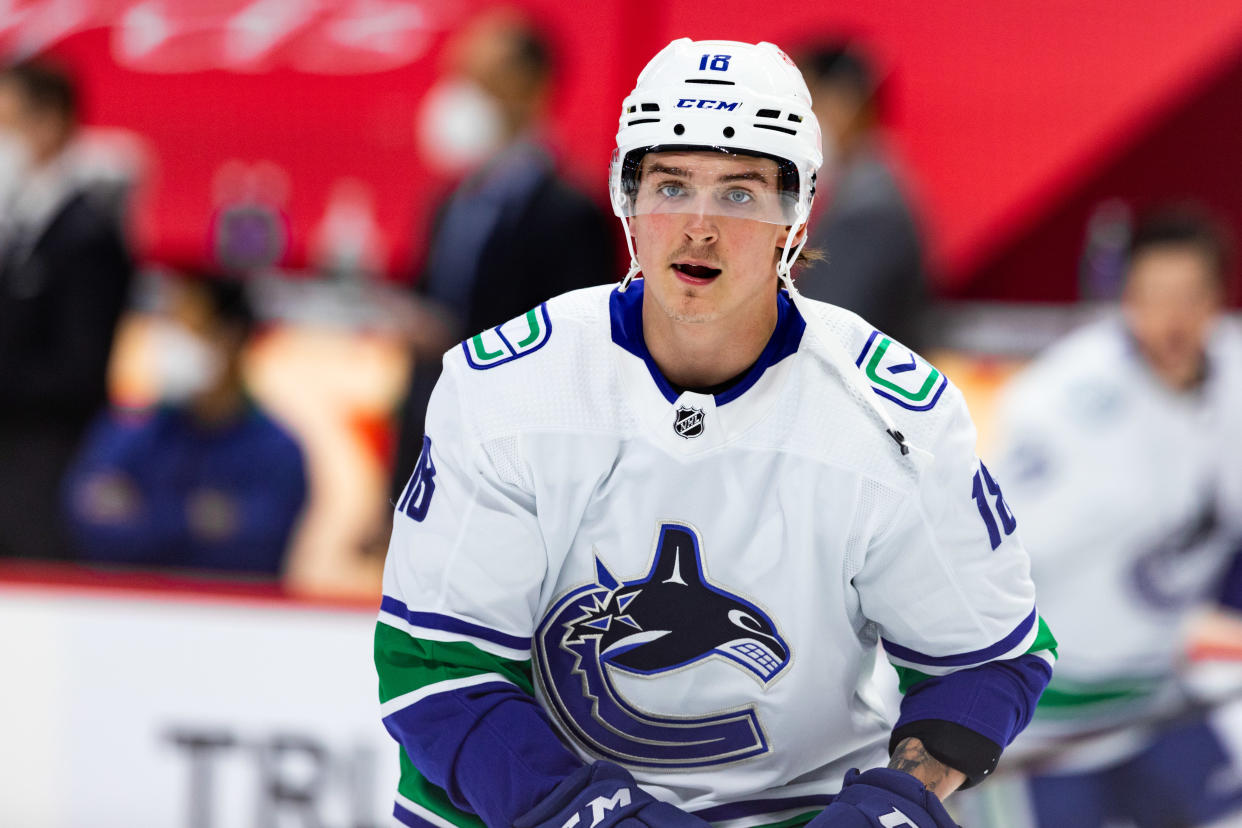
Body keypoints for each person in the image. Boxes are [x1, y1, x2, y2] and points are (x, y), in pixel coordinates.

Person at [375, 38, 1054, 828]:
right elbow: (437, 669)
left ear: (792, 218)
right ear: (628, 201)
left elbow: (987, 657)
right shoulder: (508, 388)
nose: (698, 227)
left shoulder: (893, 417)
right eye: (670, 185)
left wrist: (897, 801)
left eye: (738, 195)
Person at [970, 206, 1242, 827]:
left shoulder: (1235, 374)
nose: (1172, 318)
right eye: (1153, 297)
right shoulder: (1060, 401)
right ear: (1125, 297)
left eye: (1190, 297)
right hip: (1047, 723)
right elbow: (986, 557)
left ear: (1217, 299)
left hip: (1160, 698)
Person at [390, 8, 614, 499]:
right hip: (436, 457)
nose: (460, 94)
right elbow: (420, 350)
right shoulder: (450, 204)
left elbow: (578, 353)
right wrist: (395, 485)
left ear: (531, 86)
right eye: (459, 76)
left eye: (482, 79)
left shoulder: (572, 214)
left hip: (517, 466)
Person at [62, 273, 306, 576]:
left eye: (187, 326)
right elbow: (90, 525)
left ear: (230, 338)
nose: (170, 343)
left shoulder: (277, 451)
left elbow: (254, 551)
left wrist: (144, 513)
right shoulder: (129, 431)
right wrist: (197, 518)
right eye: (167, 324)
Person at [0, 59, 134, 560]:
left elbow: (79, 370)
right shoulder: (19, 225)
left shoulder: (85, 236)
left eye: (7, 124)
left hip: (48, 460)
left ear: (51, 123)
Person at [792, 42, 928, 350]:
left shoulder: (870, 209)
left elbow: (824, 327)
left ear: (844, 101)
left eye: (803, 106)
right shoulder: (860, 190)